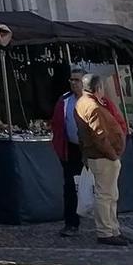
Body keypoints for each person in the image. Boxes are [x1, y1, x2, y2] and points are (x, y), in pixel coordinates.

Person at [76, 74, 131, 246]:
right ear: (98, 88)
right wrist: (113, 155)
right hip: (103, 157)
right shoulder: (93, 106)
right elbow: (99, 136)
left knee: (110, 195)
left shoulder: (83, 102)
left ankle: (113, 229)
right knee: (106, 195)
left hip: (99, 155)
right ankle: (106, 231)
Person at [48, 68, 89, 237]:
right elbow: (57, 124)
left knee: (101, 187)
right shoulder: (65, 100)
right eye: (71, 80)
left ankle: (109, 226)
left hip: (94, 148)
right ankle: (71, 223)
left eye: (77, 80)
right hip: (71, 148)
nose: (73, 83)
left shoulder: (95, 99)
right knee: (71, 186)